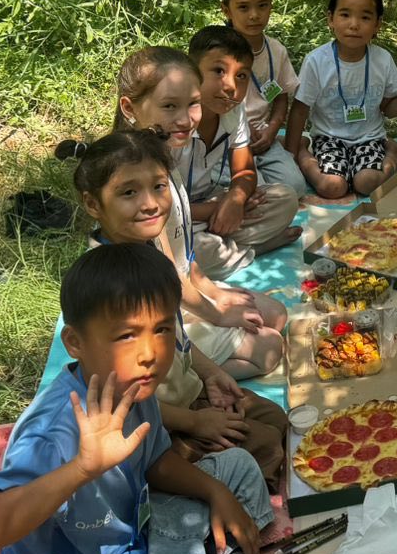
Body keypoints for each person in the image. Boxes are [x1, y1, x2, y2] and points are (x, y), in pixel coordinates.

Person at [0, 244, 282, 554]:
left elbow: (156, 461)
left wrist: (215, 492)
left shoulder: (134, 384)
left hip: (134, 530)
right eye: (126, 335)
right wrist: (83, 468)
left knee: (239, 467)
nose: (150, 352)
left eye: (162, 329)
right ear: (75, 342)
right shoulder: (53, 430)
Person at [63, 129, 290, 485]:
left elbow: (176, 334)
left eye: (158, 186)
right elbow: (124, 397)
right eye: (128, 193)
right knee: (265, 447)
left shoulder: (149, 247)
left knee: (277, 419)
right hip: (155, 423)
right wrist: (195, 422)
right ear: (93, 204)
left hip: (188, 395)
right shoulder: (108, 285)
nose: (151, 204)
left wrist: (210, 373)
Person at [109, 46, 287, 378]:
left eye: (192, 104)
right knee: (269, 348)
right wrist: (218, 314)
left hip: (185, 287)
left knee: (276, 315)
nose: (185, 119)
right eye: (169, 106)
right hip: (156, 314)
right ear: (130, 108)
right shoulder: (138, 180)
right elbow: (165, 277)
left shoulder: (163, 157)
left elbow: (182, 256)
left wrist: (217, 294)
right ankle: (175, 385)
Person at [286, 0, 397, 197]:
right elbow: (299, 109)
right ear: (330, 19)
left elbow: (388, 109)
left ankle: (392, 152)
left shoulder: (382, 60)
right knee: (332, 187)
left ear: (377, 24)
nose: (354, 24)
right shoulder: (316, 61)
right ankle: (304, 151)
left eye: (365, 17)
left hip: (369, 138)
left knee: (367, 183)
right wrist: (291, 152)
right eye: (345, 15)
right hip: (328, 137)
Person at [181, 24, 303, 269]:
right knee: (192, 250)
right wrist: (217, 208)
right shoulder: (175, 120)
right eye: (219, 71)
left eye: (242, 76)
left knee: (286, 199)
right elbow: (159, 205)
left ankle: (224, 249)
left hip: (211, 203)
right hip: (175, 215)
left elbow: (246, 172)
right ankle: (252, 250)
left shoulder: (234, 112)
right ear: (191, 71)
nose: (231, 86)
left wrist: (236, 198)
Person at [221, 0, 308, 197]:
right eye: (243, 7)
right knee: (250, 189)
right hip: (227, 139)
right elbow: (210, 100)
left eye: (262, 5)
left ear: (271, 5)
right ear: (226, 10)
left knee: (296, 187)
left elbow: (281, 96)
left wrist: (272, 129)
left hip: (263, 138)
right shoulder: (217, 52)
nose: (254, 15)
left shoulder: (276, 50)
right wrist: (243, 129)